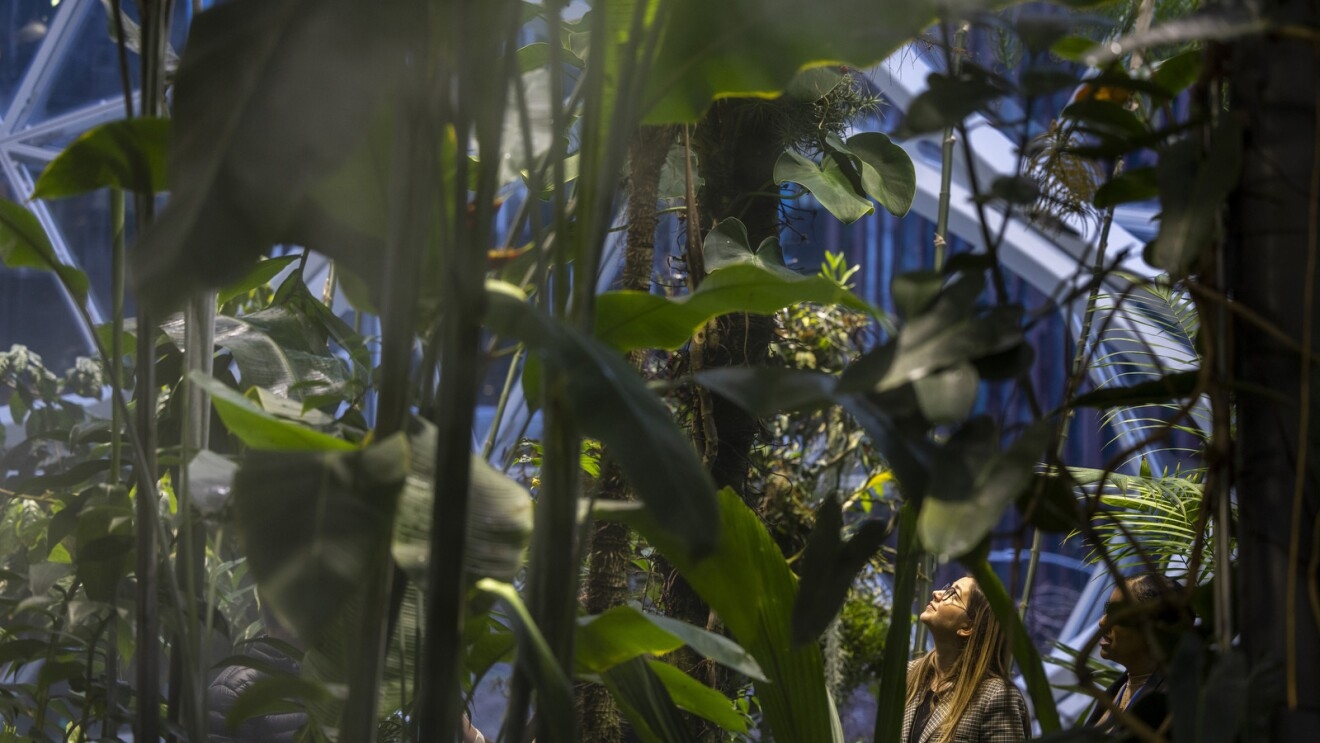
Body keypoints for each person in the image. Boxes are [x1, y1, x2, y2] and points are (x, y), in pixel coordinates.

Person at [902, 576, 1030, 743]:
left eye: (952, 594)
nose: (936, 593)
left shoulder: (996, 696)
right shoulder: (909, 674)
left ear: (967, 627)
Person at [1085, 572, 1189, 736]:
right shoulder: (1118, 689)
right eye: (1107, 610)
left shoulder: (1172, 705)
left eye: (1118, 614)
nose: (1103, 622)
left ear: (1153, 630)